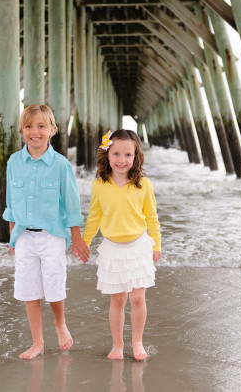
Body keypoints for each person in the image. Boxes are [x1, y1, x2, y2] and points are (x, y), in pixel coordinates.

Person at [3, 104, 91, 360]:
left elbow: (72, 205)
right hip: (24, 236)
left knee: (54, 285)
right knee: (29, 289)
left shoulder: (61, 165)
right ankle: (37, 343)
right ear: (22, 130)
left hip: (52, 235)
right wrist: (12, 237)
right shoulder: (13, 162)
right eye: (29, 126)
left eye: (41, 126)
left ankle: (60, 323)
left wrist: (76, 237)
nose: (35, 132)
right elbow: (11, 203)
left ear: (52, 130)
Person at [82, 129, 162, 361]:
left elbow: (152, 217)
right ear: (107, 154)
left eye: (128, 154)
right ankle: (117, 345)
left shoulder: (143, 185)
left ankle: (137, 342)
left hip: (138, 247)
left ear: (136, 156)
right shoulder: (100, 185)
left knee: (138, 298)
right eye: (116, 153)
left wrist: (157, 244)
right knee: (117, 300)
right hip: (112, 249)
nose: (122, 160)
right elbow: (94, 216)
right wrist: (85, 242)